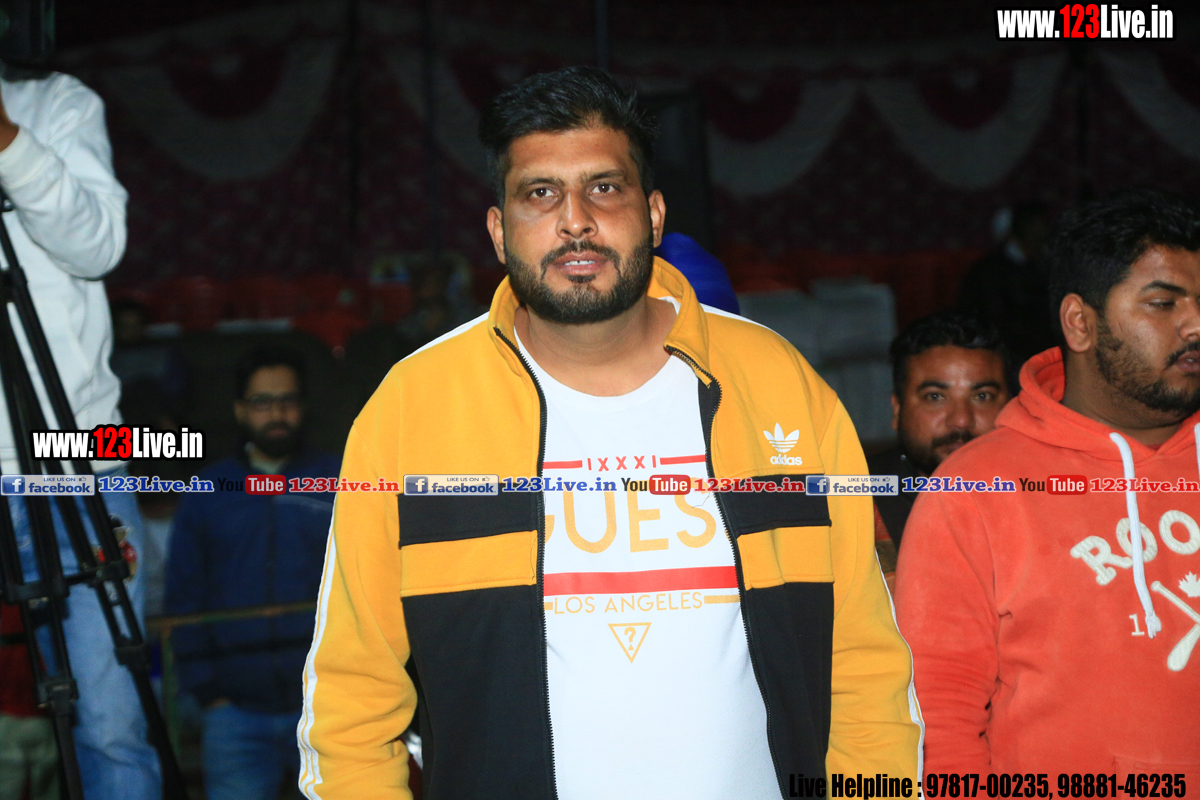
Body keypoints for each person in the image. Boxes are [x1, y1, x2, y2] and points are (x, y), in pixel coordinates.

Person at [297, 66, 921, 800]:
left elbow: (864, 667)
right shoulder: (413, 407)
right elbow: (351, 703)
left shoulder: (776, 381)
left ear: (653, 215)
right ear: (498, 231)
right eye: (540, 193)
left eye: (603, 187)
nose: (575, 221)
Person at [896, 188, 1200, 778]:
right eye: (1163, 303)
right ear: (1080, 323)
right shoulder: (976, 488)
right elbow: (940, 709)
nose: (1193, 325)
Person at [0, 65, 161, 798]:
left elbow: (97, 248)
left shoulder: (54, 103)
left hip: (84, 449)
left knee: (111, 723)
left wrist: (8, 141)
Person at [165, 346, 338, 800]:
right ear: (240, 410)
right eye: (262, 402)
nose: (276, 413)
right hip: (232, 714)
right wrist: (208, 692)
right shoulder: (207, 491)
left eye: (288, 400)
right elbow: (183, 594)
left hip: (328, 707)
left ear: (304, 406)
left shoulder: (341, 480)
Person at [868, 310, 1012, 548]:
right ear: (897, 409)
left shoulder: (1043, 492)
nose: (961, 420)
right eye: (935, 397)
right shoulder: (853, 498)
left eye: (982, 396)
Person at [959, 200, 1057, 369]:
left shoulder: (1048, 264)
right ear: (1023, 228)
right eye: (1038, 225)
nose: (1045, 230)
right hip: (1007, 358)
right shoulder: (990, 271)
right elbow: (989, 318)